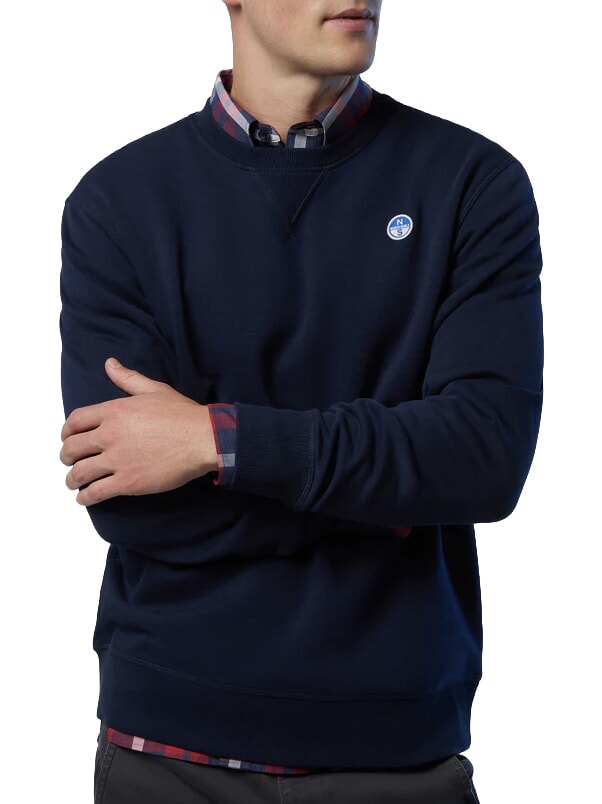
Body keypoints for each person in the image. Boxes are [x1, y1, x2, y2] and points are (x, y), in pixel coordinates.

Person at [59, 1, 543, 802]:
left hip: (396, 754)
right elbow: (132, 505)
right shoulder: (117, 202)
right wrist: (392, 496)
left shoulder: (472, 182)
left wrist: (217, 443)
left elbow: (483, 460)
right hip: (169, 751)